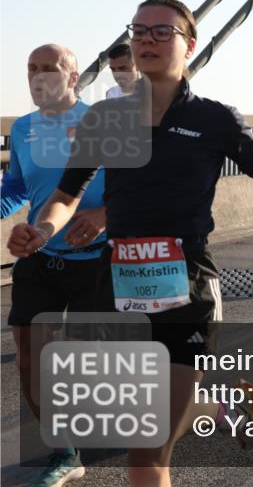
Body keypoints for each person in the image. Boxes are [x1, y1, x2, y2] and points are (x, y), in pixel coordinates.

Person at [7, 0, 253, 487]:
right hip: (119, 284)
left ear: (189, 46)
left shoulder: (216, 120)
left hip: (187, 286)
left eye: (161, 32)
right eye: (139, 30)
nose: (147, 39)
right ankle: (224, 405)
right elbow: (68, 193)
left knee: (146, 454)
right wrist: (43, 229)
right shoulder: (106, 121)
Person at [1, 44, 110, 487]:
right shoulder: (23, 128)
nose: (39, 76)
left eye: (51, 68)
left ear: (73, 76)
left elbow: (144, 186)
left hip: (101, 261)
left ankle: (203, 405)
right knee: (31, 356)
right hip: (40, 255)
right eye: (32, 69)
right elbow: (15, 189)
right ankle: (64, 452)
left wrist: (106, 215)